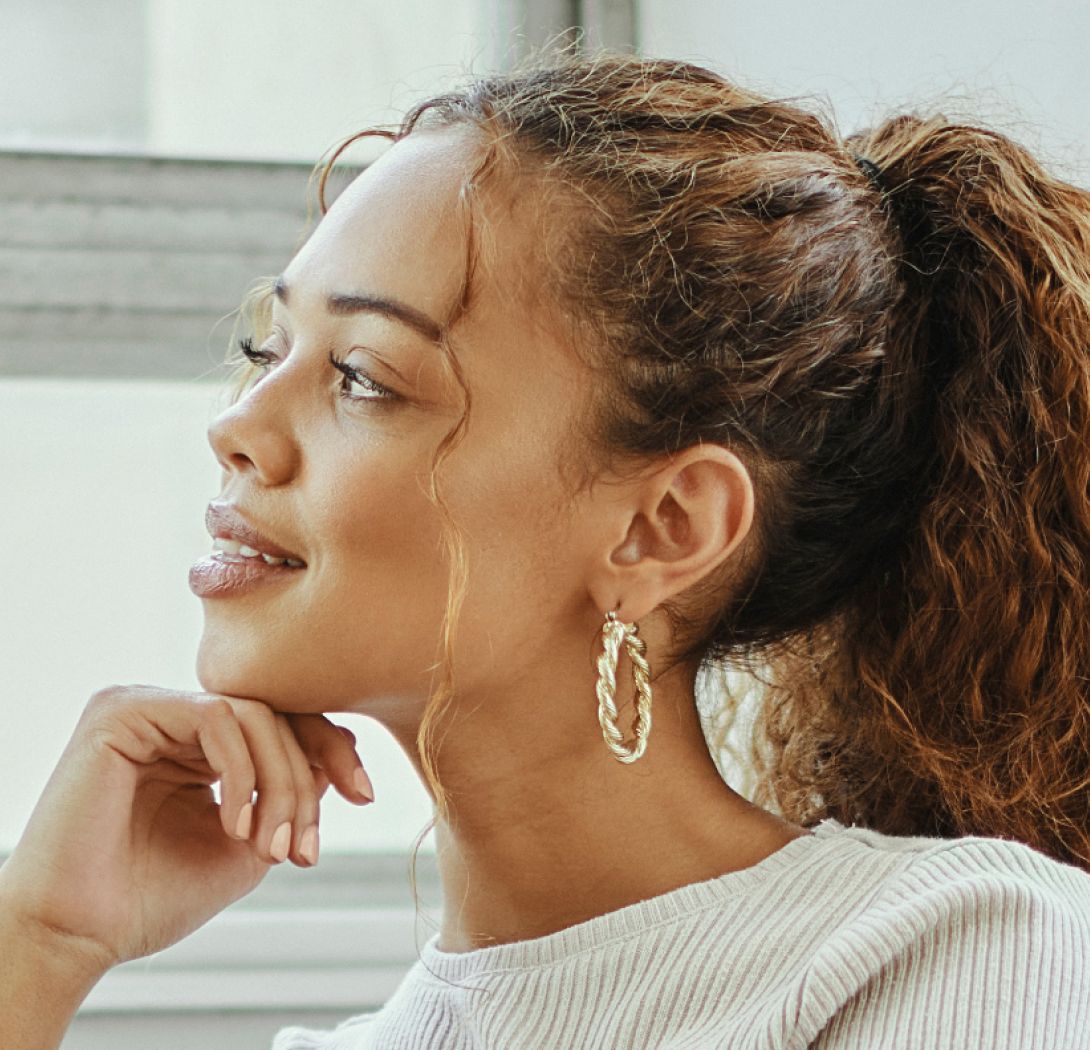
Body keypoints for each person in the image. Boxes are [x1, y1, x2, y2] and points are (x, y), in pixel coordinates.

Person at [3, 50, 1090, 1049]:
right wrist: (40, 944)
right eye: (268, 347)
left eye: (364, 379)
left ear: (663, 527)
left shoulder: (960, 956)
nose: (233, 426)